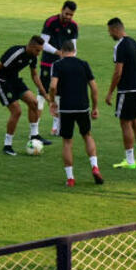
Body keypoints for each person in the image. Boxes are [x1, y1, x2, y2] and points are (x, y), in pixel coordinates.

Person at [0, 35, 52, 156]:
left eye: (40, 51)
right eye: (37, 50)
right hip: (1, 81)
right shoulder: (16, 53)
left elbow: (34, 75)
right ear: (31, 46)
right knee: (17, 111)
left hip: (14, 80)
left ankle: (34, 135)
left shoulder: (33, 56)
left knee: (34, 103)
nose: (39, 54)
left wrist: (44, 94)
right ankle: (7, 145)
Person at [47, 41, 103, 187]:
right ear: (74, 50)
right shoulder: (84, 64)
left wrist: (52, 102)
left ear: (61, 51)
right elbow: (94, 88)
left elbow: (52, 86)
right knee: (87, 136)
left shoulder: (57, 65)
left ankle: (70, 178)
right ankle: (95, 167)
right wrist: (95, 107)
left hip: (66, 108)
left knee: (67, 142)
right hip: (83, 107)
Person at [104, 18, 136, 169]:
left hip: (126, 90)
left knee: (125, 123)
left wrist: (110, 92)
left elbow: (118, 72)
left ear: (116, 29)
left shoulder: (120, 46)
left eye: (110, 31)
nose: (109, 34)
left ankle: (129, 161)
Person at [39, 0, 80, 137]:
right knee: (42, 94)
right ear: (62, 9)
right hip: (48, 63)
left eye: (71, 15)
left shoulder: (73, 26)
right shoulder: (51, 22)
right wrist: (58, 52)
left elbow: (73, 47)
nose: (68, 17)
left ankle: (56, 127)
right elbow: (42, 43)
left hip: (63, 66)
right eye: (66, 13)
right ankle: (35, 130)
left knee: (60, 95)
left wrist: (71, 60)